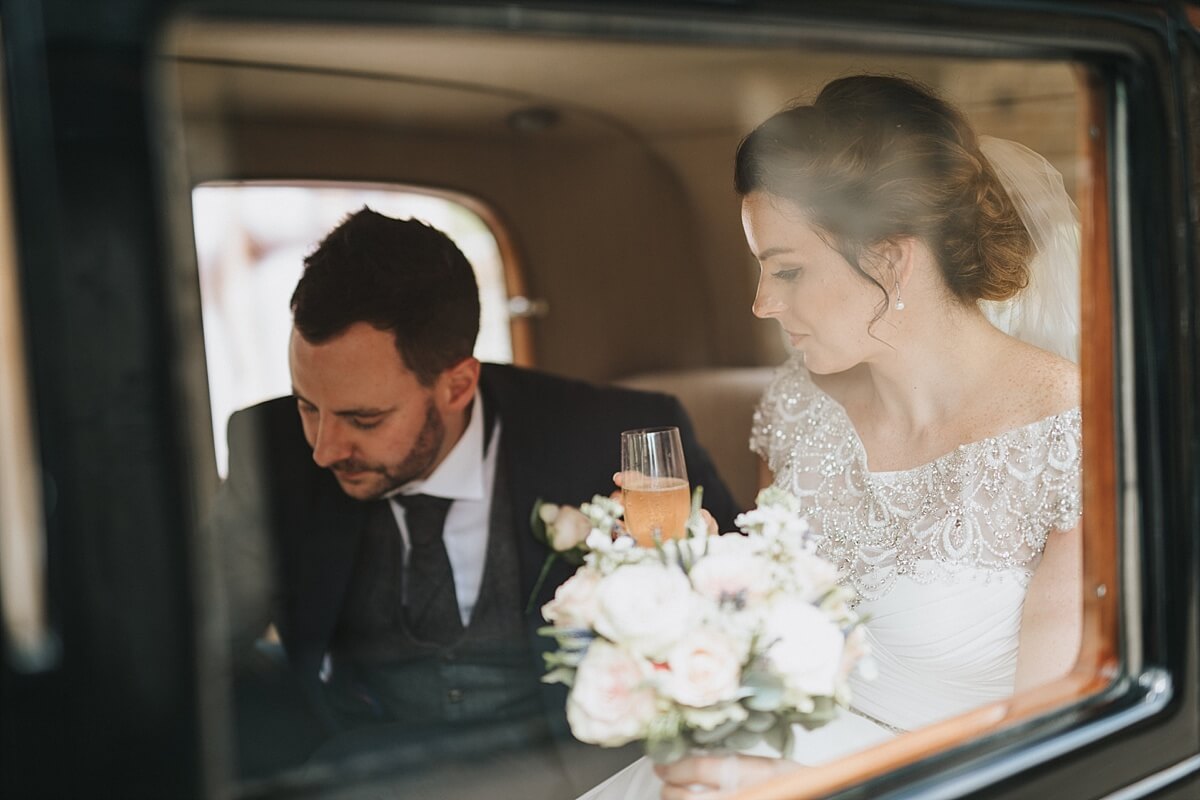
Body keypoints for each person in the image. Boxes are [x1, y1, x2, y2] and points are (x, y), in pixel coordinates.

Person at [579, 74, 1083, 799]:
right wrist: (696, 567)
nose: (761, 302)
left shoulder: (1068, 436)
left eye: (787, 269)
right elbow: (768, 635)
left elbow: (1050, 752)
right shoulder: (799, 405)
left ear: (890, 258)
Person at [209, 207, 740, 794]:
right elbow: (201, 636)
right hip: (367, 765)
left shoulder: (613, 435)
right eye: (308, 406)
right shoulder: (271, 448)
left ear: (458, 384)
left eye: (364, 418)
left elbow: (736, 611)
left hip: (576, 767)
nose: (324, 448)